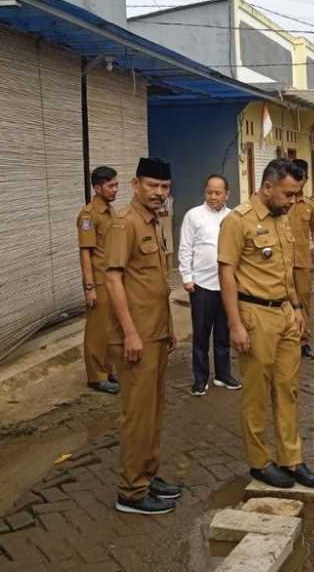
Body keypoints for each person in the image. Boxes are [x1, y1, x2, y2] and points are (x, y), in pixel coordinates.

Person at [218, 158, 314, 490]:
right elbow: (226, 274)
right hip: (255, 316)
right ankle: (260, 462)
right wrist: (234, 325)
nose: (293, 201)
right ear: (267, 187)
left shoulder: (281, 219)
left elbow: (285, 267)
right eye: (289, 194)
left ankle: (292, 459)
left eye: (297, 195)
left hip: (285, 314)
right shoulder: (238, 221)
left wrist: (296, 307)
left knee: (288, 389)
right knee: (256, 395)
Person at [105, 157, 182, 515]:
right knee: (137, 414)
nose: (159, 193)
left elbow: (153, 282)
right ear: (136, 185)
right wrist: (131, 333)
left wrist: (168, 330)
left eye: (164, 187)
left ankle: (148, 476)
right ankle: (131, 492)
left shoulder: (154, 222)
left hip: (156, 334)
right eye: (152, 185)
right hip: (136, 338)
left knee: (153, 411)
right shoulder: (126, 224)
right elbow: (113, 279)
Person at [179, 174, 241, 396]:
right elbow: (185, 247)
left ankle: (223, 376)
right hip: (201, 287)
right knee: (201, 336)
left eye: (217, 193)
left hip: (227, 287)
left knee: (224, 334)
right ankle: (200, 379)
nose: (213, 196)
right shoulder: (193, 216)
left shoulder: (234, 217)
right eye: (209, 192)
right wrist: (187, 277)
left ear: (227, 194)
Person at [76, 166, 120, 395]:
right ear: (97, 187)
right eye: (110, 185)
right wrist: (89, 287)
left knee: (112, 329)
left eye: (116, 184)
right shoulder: (88, 215)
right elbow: (85, 252)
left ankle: (108, 370)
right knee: (97, 330)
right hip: (99, 280)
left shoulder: (111, 212)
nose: (115, 189)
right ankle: (95, 376)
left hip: (113, 279)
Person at [288, 159, 314, 361]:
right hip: (281, 263)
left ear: (306, 179)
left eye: (301, 177)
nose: (298, 181)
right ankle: (286, 340)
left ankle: (303, 341)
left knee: (303, 301)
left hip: (302, 261)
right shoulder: (281, 203)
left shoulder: (310, 204)